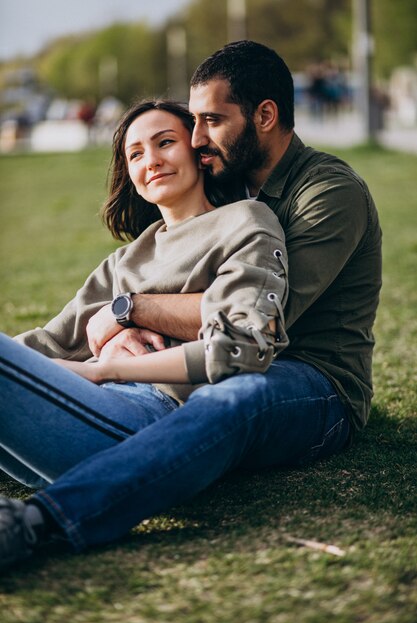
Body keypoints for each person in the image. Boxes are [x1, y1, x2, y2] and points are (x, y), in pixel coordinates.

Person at [0, 40, 382, 569]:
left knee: (238, 394)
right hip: (184, 382)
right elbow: (46, 340)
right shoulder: (225, 193)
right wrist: (109, 322)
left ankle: (42, 525)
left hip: (312, 378)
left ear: (264, 116)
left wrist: (123, 320)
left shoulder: (323, 194)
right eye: (191, 126)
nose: (198, 140)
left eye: (209, 122)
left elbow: (256, 327)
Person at [0, 97, 289, 568]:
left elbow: (242, 343)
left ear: (199, 150)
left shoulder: (244, 222)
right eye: (135, 154)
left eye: (165, 143)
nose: (150, 160)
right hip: (77, 411)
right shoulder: (126, 259)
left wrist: (107, 369)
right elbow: (46, 343)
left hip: (149, 419)